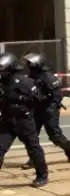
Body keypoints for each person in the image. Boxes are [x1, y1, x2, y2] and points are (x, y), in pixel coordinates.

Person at [0, 52, 49, 187]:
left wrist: (21, 100)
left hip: (24, 121)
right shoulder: (2, 84)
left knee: (33, 149)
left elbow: (38, 100)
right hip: (7, 121)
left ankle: (42, 175)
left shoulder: (25, 82)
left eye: (3, 70)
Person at [21, 53, 70, 169]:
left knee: (54, 135)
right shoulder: (31, 76)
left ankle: (68, 147)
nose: (28, 65)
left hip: (49, 110)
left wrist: (51, 108)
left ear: (37, 64)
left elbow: (57, 95)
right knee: (31, 136)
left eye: (30, 64)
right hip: (36, 109)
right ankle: (33, 159)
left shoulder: (48, 77)